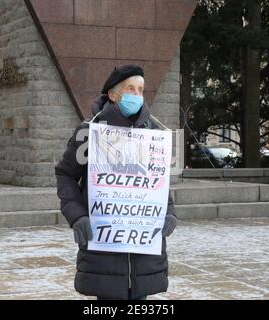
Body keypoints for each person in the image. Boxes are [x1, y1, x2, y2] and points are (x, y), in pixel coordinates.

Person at [55, 65, 177, 300]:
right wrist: (77, 215)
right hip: (105, 250)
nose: (136, 95)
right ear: (112, 94)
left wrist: (169, 212)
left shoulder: (153, 133)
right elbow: (65, 175)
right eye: (130, 89)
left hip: (144, 255)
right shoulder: (89, 133)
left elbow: (157, 183)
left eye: (140, 90)